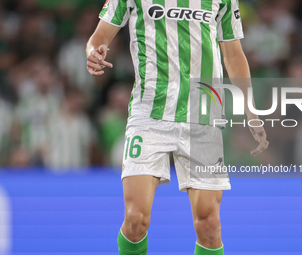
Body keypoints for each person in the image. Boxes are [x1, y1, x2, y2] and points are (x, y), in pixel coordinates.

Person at [86, 0, 269, 254]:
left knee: (209, 225)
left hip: (202, 117)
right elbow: (99, 37)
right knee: (136, 218)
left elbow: (233, 53)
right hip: (149, 115)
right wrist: (94, 51)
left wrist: (250, 109)